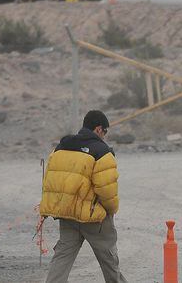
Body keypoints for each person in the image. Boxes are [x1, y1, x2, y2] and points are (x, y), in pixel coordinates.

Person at [40, 110, 126, 283]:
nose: (105, 136)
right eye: (105, 132)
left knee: (62, 258)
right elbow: (107, 190)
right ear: (99, 129)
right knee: (109, 261)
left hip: (67, 214)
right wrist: (111, 210)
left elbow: (52, 179)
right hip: (94, 219)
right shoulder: (102, 152)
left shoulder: (62, 146)